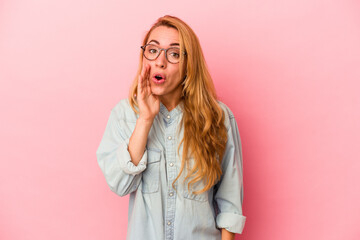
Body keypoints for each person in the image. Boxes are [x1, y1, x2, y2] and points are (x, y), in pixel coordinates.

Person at [96, 15, 246, 240]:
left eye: (174, 54)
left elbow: (230, 201)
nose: (160, 62)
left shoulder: (217, 117)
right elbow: (120, 184)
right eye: (153, 50)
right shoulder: (124, 115)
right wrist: (145, 120)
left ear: (189, 65)